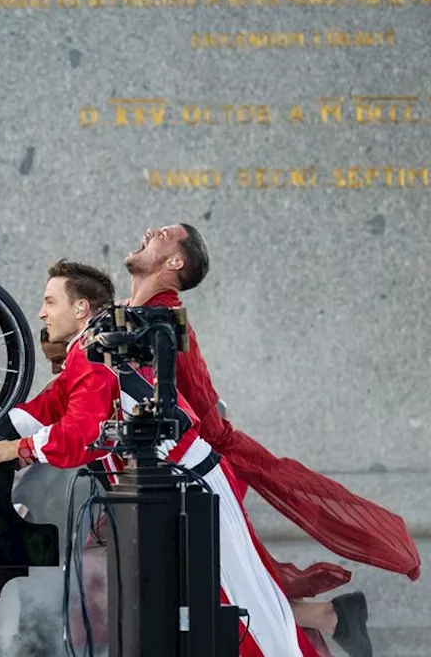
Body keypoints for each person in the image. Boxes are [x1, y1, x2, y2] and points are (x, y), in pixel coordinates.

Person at [0, 259, 316, 657]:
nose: (41, 312)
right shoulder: (89, 350)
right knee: (211, 607)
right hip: (169, 490)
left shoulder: (92, 352)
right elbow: (44, 410)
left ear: (82, 307)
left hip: (186, 489)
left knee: (234, 607)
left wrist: (18, 449)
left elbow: (81, 435)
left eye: (50, 301)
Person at [123, 223, 420, 656]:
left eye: (165, 233)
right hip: (152, 482)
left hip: (187, 480)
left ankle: (328, 618)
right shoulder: (126, 317)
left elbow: (206, 411)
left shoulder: (168, 323)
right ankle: (329, 617)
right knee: (201, 589)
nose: (151, 230)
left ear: (175, 262)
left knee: (214, 592)